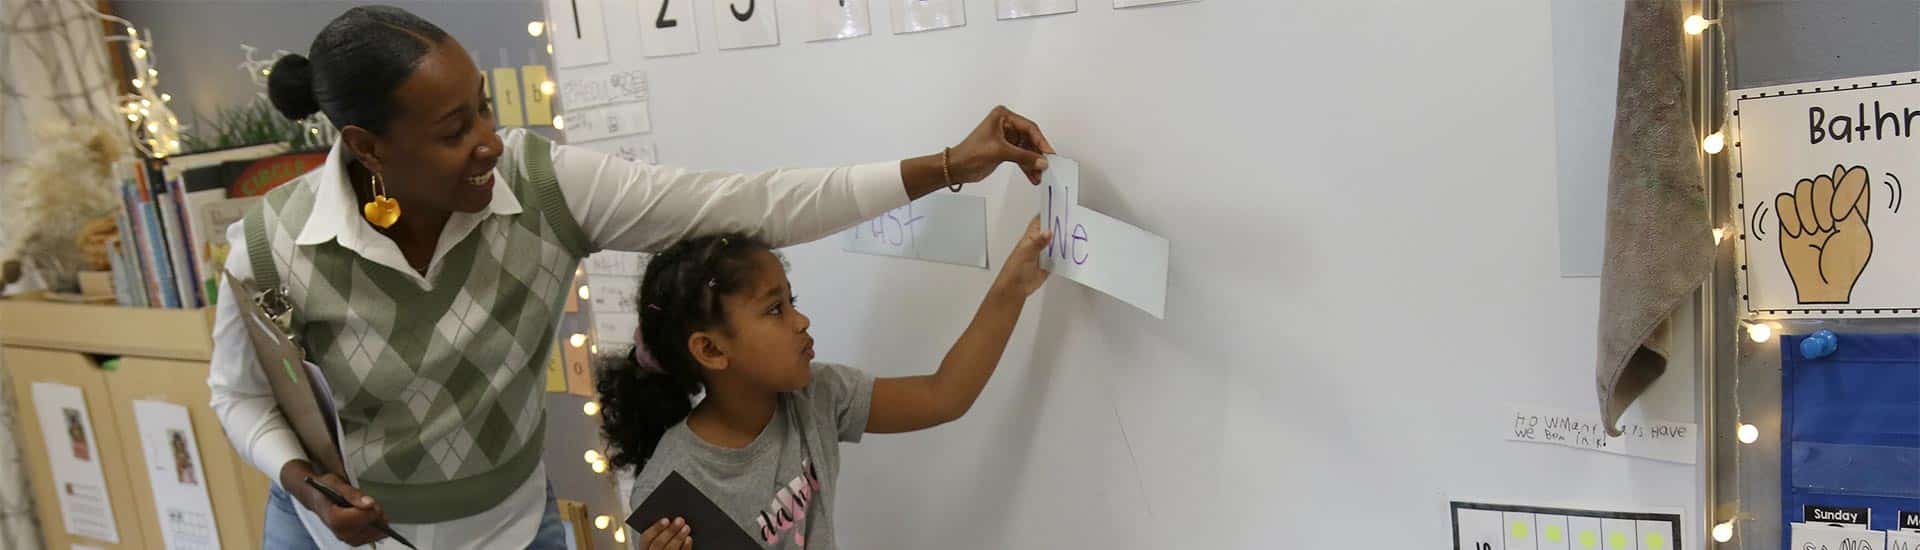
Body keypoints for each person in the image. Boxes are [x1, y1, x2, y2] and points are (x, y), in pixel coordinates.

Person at [204, 5, 1055, 549]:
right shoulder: (272, 248)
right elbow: (240, 395)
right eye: (455, 128)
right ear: (366, 146)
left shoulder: (543, 189)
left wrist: (947, 164)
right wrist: (296, 477)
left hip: (509, 526)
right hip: (346, 539)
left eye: (486, 111)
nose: (491, 142)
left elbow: (753, 203)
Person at [599, 217, 1053, 549]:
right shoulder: (673, 493)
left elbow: (944, 395)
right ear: (712, 351)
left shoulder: (813, 395)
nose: (801, 320)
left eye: (791, 301)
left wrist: (1011, 287)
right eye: (775, 309)